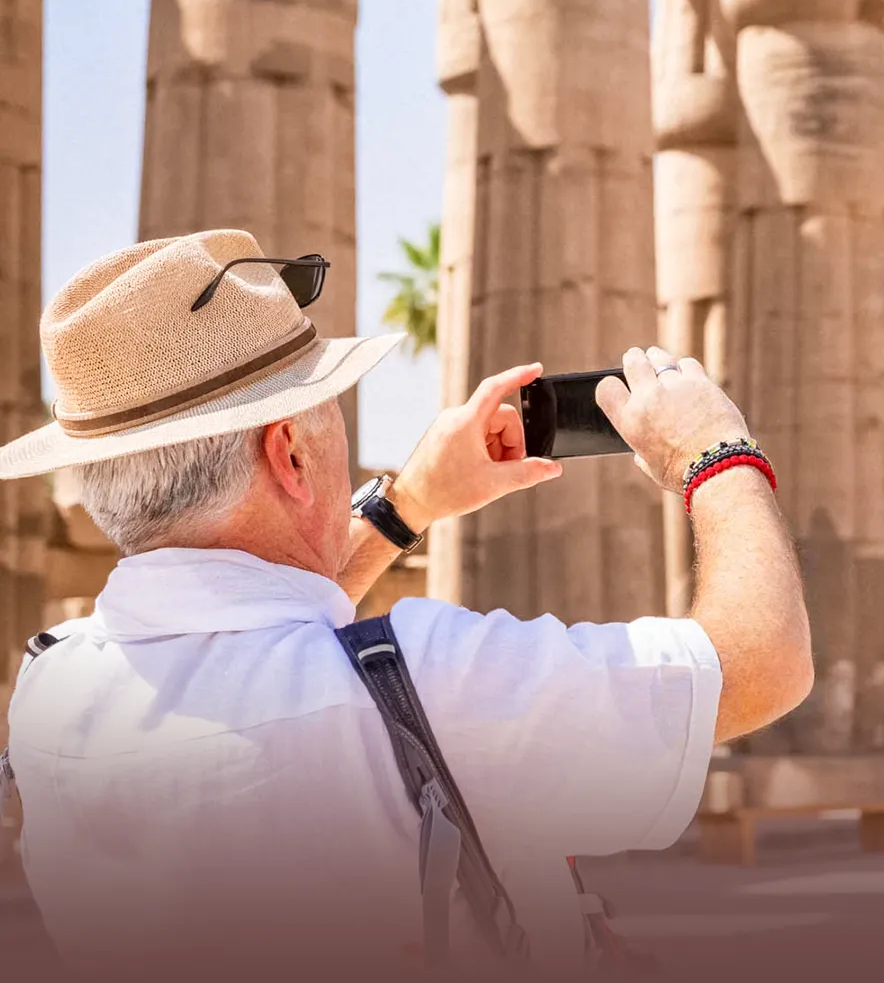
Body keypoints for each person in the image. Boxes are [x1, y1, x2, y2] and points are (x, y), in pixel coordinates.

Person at [0, 230, 812, 980]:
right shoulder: (435, 685)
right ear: (287, 452)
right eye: (329, 416)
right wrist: (716, 455)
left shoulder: (51, 691)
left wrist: (407, 504)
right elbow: (761, 665)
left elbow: (273, 633)